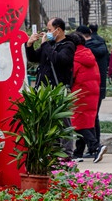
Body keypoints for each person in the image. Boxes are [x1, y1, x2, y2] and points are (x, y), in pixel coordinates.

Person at [25, 17, 76, 157]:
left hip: (57, 89)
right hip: (43, 89)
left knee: (63, 122)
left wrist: (45, 45)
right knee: (46, 121)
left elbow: (59, 60)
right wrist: (29, 45)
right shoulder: (50, 44)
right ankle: (51, 151)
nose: (47, 32)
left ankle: (67, 154)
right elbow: (35, 58)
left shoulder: (68, 45)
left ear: (58, 30)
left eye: (49, 30)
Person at [76, 24, 109, 162]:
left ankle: (93, 147)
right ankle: (85, 150)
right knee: (92, 118)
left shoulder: (82, 52)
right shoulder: (102, 45)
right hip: (98, 86)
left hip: (84, 89)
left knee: (81, 119)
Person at [67, 32, 100, 162]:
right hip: (92, 92)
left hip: (79, 93)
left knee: (79, 123)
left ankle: (96, 146)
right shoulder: (88, 55)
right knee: (85, 121)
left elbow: (70, 77)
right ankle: (78, 152)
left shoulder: (75, 58)